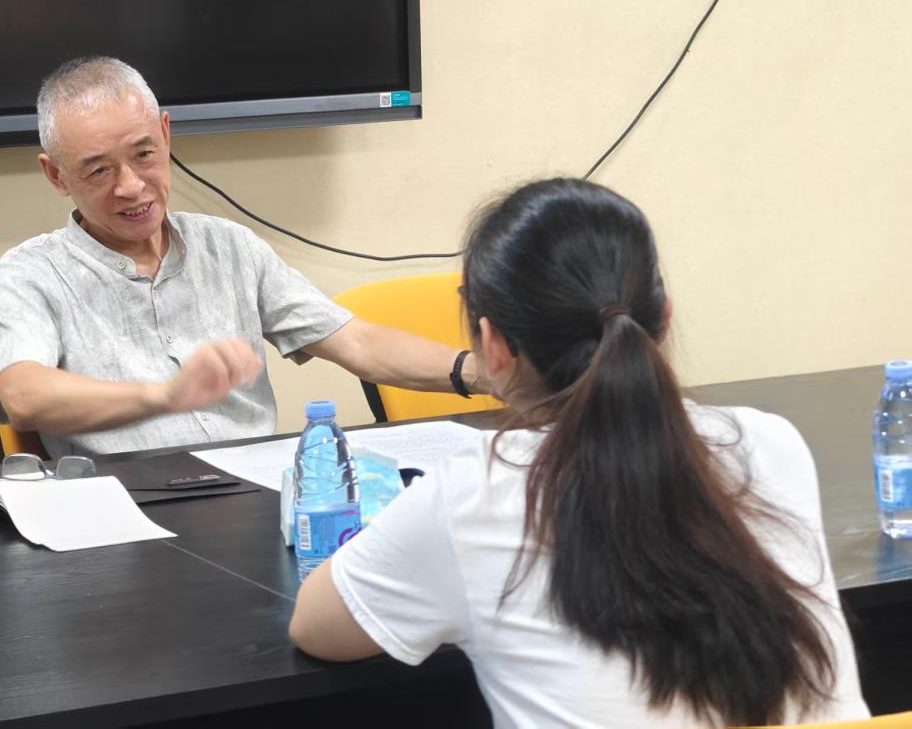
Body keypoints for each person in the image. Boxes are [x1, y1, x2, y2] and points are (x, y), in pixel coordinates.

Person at [289, 178, 869, 727]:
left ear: (492, 347)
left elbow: (316, 627)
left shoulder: (476, 490)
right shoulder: (767, 442)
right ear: (663, 320)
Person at [0, 56, 485, 458]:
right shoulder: (31, 273)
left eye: (144, 154)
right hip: (122, 505)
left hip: (253, 489)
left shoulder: (230, 247)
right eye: (99, 171)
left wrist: (482, 372)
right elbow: (22, 395)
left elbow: (356, 341)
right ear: (56, 176)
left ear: (165, 133)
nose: (132, 186)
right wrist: (165, 396)